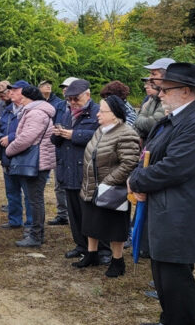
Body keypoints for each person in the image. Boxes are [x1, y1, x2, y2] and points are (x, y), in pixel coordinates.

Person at [128, 63, 195, 325]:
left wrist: (136, 181)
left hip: (181, 215)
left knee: (176, 280)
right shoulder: (172, 120)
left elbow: (174, 168)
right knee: (163, 276)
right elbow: (148, 154)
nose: (160, 94)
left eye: (165, 89)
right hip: (164, 209)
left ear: (186, 91)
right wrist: (138, 179)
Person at [73, 95, 139, 277]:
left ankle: (117, 261)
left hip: (112, 191)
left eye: (102, 111)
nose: (98, 114)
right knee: (90, 223)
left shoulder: (126, 133)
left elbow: (129, 163)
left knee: (114, 227)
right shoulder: (101, 130)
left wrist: (107, 182)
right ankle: (91, 254)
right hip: (92, 187)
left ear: (115, 114)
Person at [51, 79, 110, 262]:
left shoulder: (98, 112)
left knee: (94, 213)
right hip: (68, 169)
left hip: (89, 171)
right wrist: (57, 134)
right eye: (69, 99)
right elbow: (56, 142)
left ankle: (103, 250)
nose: (72, 103)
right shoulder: (66, 113)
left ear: (88, 95)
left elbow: (104, 136)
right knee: (74, 212)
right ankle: (81, 245)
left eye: (76, 98)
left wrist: (74, 135)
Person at [5, 85, 56, 247]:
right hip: (39, 160)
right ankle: (36, 234)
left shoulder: (36, 113)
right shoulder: (36, 111)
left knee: (35, 200)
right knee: (35, 199)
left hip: (36, 162)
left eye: (23, 97)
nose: (21, 100)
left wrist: (9, 150)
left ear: (29, 98)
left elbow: (27, 138)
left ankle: (36, 235)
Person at [0, 80, 32, 230]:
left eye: (15, 90)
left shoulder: (31, 110)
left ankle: (31, 224)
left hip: (24, 158)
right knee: (11, 191)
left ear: (24, 92)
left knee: (29, 194)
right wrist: (0, 137)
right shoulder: (7, 110)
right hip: (7, 156)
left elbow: (30, 132)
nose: (10, 92)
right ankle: (14, 220)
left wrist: (10, 138)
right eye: (10, 90)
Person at [46, 77, 78, 226]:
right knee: (59, 183)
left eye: (68, 87)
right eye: (63, 87)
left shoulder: (86, 107)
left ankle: (75, 216)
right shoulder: (58, 106)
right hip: (60, 148)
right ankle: (62, 214)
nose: (65, 89)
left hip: (76, 149)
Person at [135, 58, 175, 142]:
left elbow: (152, 124)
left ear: (166, 76)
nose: (150, 78)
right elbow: (137, 120)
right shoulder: (153, 98)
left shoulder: (171, 99)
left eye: (153, 74)